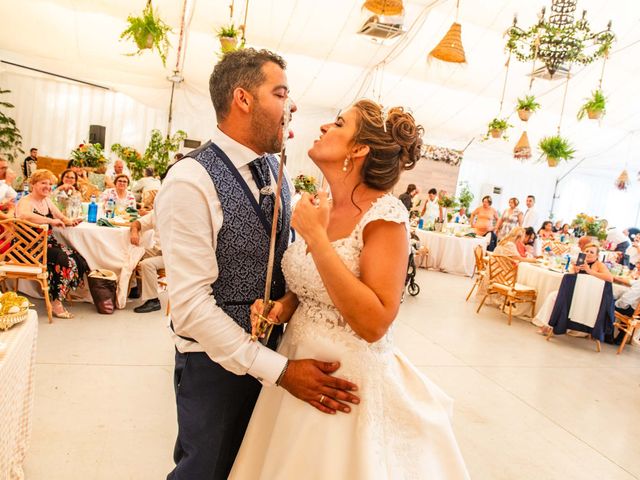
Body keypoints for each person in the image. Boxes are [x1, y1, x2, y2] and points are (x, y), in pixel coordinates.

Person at [230, 100, 469, 479]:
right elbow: (323, 280)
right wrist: (288, 303)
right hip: (295, 368)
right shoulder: (322, 205)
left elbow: (375, 322)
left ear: (358, 149)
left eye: (339, 123)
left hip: (343, 385)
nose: (325, 126)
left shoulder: (385, 216)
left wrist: (315, 237)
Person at [156, 48, 359, 480]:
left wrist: (285, 304)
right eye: (281, 93)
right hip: (216, 366)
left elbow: (281, 260)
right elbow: (190, 307)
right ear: (243, 99)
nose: (293, 105)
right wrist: (280, 372)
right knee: (206, 471)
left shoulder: (275, 170)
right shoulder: (190, 180)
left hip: (278, 352)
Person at [16, 169, 89, 319]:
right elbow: (24, 215)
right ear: (33, 184)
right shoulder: (26, 201)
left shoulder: (47, 200)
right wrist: (50, 221)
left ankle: (57, 295)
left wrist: (70, 221)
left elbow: (60, 216)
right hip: (29, 247)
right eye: (43, 183)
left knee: (78, 259)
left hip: (47, 243)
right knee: (64, 260)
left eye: (50, 184)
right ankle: (56, 303)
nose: (48, 186)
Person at [130, 211, 164, 313]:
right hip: (158, 250)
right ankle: (135, 287)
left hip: (174, 255)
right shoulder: (157, 212)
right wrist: (134, 231)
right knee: (135, 253)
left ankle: (153, 301)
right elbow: (137, 223)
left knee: (147, 264)